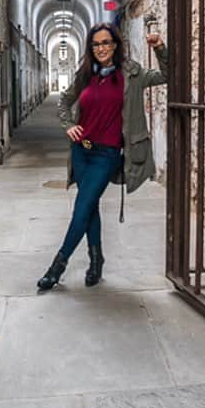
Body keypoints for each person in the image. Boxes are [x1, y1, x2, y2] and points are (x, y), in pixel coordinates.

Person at [37, 21, 167, 291]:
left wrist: (160, 48)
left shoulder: (132, 73)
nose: (101, 48)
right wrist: (68, 125)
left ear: (116, 44)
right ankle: (96, 261)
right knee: (89, 206)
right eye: (96, 44)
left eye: (106, 42)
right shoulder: (85, 74)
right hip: (82, 150)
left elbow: (169, 75)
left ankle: (57, 265)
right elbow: (64, 100)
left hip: (107, 154)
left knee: (82, 207)